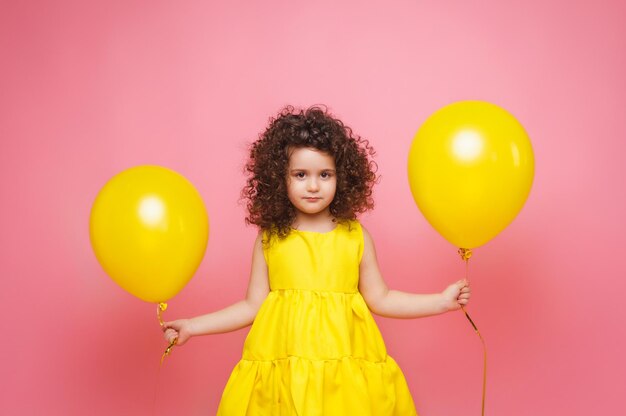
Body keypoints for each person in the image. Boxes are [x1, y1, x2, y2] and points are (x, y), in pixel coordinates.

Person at [162, 105, 471, 415]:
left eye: (325, 174)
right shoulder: (271, 238)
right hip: (285, 377)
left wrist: (441, 302)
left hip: (343, 377)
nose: (313, 186)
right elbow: (251, 306)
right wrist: (193, 325)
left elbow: (382, 297)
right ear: (279, 178)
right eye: (301, 175)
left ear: (343, 177)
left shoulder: (354, 236)